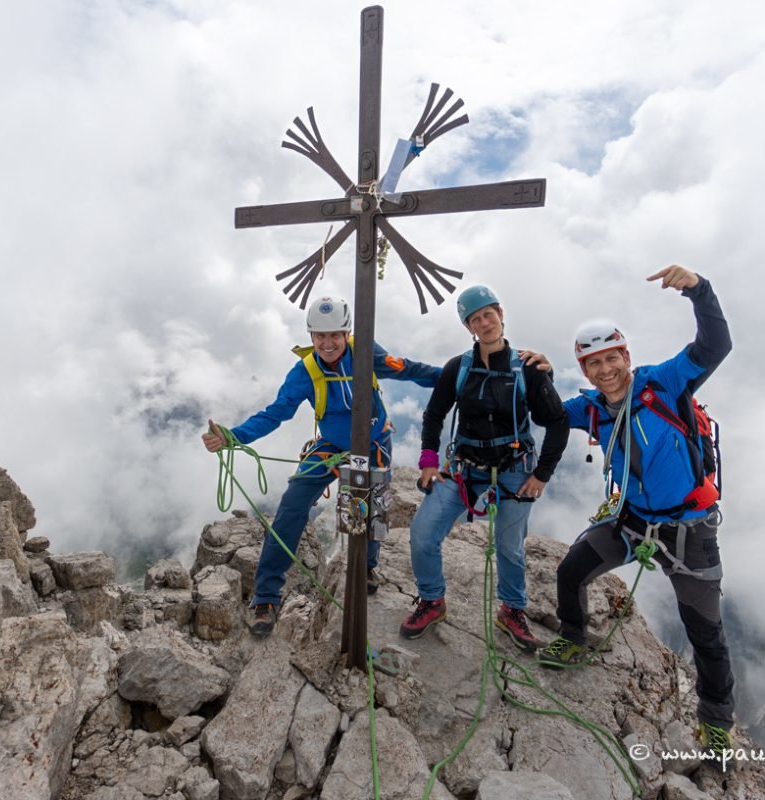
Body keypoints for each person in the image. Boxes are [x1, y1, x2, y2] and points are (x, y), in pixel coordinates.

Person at [536, 265, 735, 760]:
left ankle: (717, 723)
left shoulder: (664, 383)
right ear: (584, 370)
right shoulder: (591, 408)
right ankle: (574, 637)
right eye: (593, 363)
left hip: (689, 528)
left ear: (626, 355)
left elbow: (714, 347)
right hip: (630, 519)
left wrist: (699, 290)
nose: (605, 369)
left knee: (705, 632)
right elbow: (547, 414)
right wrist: (533, 373)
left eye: (611, 358)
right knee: (571, 571)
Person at [202, 296, 440, 638]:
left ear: (346, 333)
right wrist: (233, 437)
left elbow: (410, 370)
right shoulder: (305, 371)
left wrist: (457, 379)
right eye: (320, 336)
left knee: (366, 513)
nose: (328, 344)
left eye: (335, 336)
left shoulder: (366, 355)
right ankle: (266, 597)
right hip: (329, 447)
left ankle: (367, 568)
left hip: (371, 444)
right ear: (311, 336)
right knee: (291, 507)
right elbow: (275, 413)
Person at [399, 285, 570, 650]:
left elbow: (557, 421)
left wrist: (542, 474)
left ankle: (512, 610)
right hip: (463, 467)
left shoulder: (528, 368)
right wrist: (429, 462)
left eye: (488, 314)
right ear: (469, 328)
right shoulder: (458, 369)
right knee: (422, 534)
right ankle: (432, 600)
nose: (484, 322)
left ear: (501, 314)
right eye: (475, 319)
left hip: (514, 467)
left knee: (509, 547)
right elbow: (434, 414)